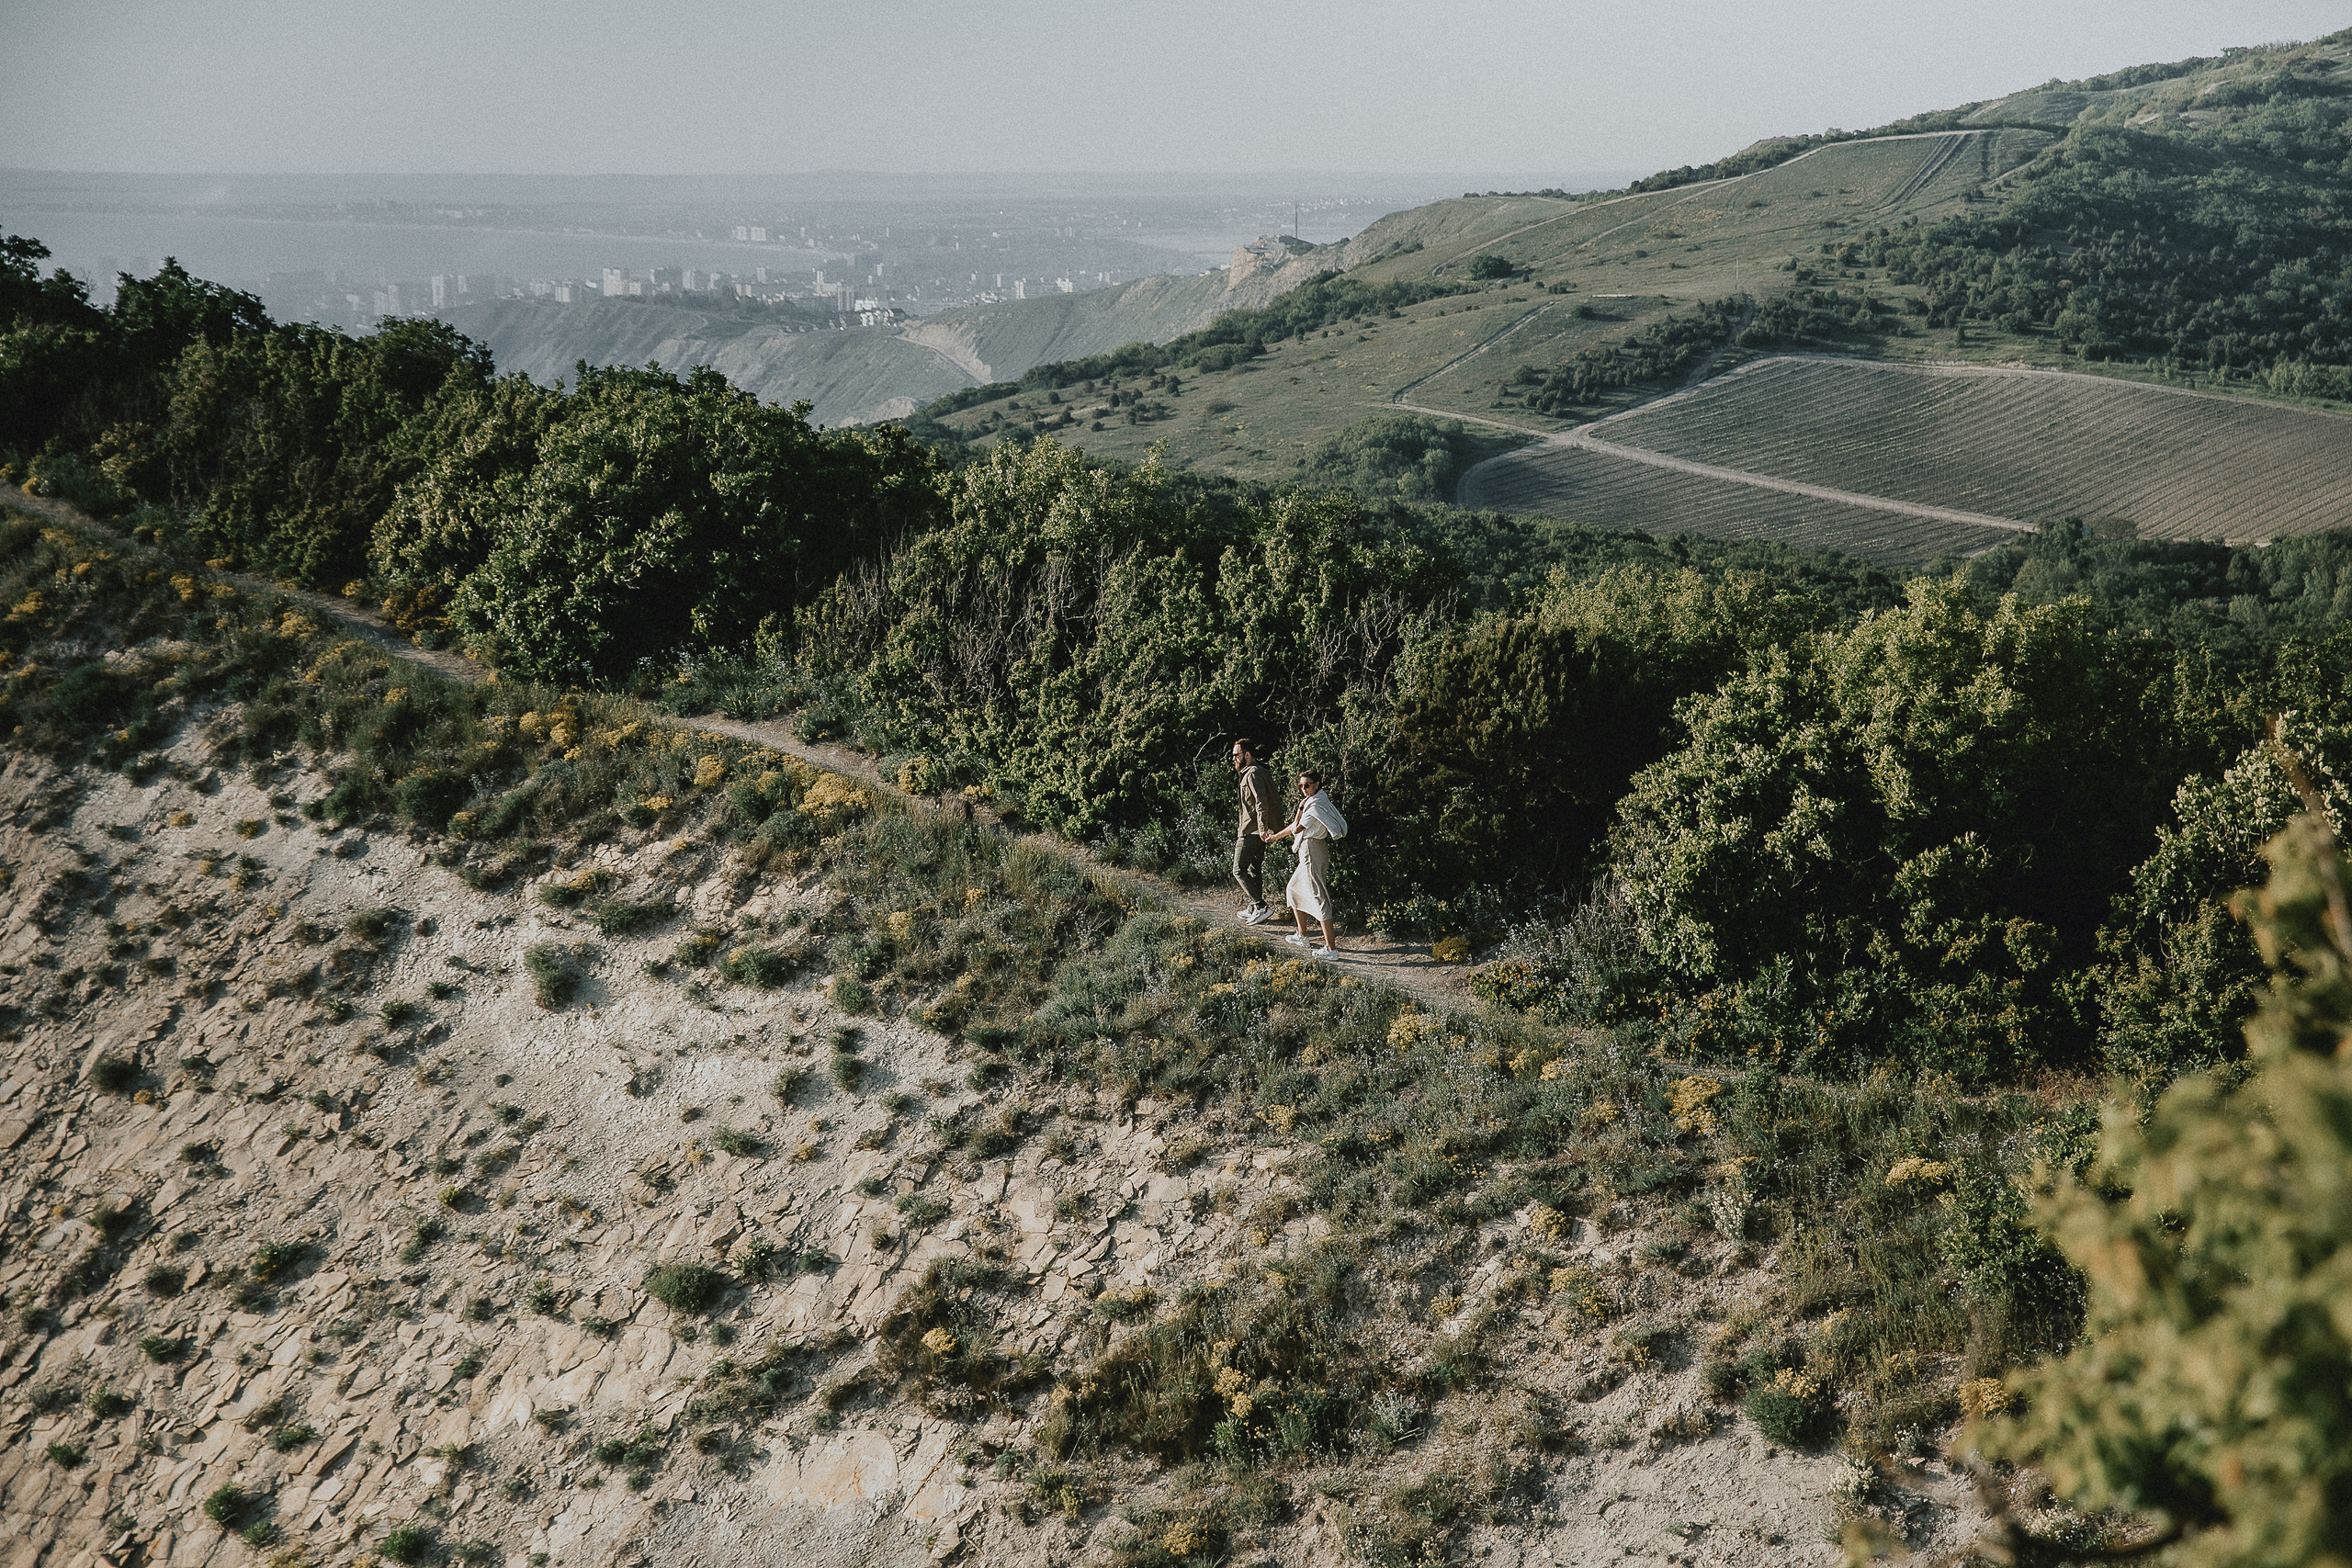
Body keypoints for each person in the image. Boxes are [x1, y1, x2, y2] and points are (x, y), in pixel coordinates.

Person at [1264, 768, 1344, 957]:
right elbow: (1295, 828)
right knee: (1293, 889)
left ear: (1316, 784)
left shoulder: (1314, 806)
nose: (1303, 789)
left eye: (1306, 785)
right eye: (1300, 785)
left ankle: (1331, 949)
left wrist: (1300, 808)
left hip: (1311, 850)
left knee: (1319, 896)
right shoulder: (1316, 801)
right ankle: (1302, 935)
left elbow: (1297, 827)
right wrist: (1275, 837)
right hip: (1312, 849)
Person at [1230, 738, 1279, 924]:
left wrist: (1262, 829)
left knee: (1238, 869)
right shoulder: (1258, 771)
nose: (1234, 758)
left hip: (1253, 831)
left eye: (1237, 754)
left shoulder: (1252, 773)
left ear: (1247, 755)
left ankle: (1260, 906)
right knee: (1253, 869)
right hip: (1257, 829)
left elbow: (1261, 802)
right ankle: (1254, 907)